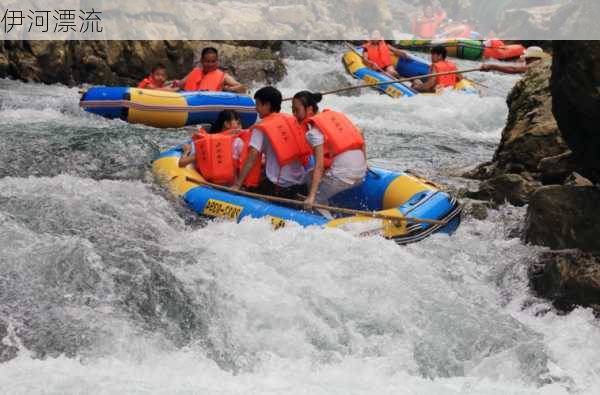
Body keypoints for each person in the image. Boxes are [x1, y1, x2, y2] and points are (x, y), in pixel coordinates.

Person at [292, 91, 367, 208]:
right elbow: (360, 133)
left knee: (311, 205)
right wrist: (365, 163)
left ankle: (320, 207)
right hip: (361, 172)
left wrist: (311, 197)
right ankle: (324, 202)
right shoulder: (333, 115)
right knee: (309, 176)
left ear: (310, 109)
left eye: (297, 110)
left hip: (343, 176)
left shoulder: (313, 133)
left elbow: (319, 167)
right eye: (293, 110)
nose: (294, 114)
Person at [232, 86, 310, 198]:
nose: (256, 108)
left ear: (267, 105)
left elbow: (252, 156)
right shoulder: (291, 119)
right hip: (300, 184)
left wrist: (237, 184)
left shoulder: (262, 127)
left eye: (258, 104)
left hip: (279, 186)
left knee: (248, 191)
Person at [179, 109, 243, 168]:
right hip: (232, 179)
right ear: (227, 124)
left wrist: (186, 151)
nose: (240, 127)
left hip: (207, 178)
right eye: (238, 123)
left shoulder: (208, 141)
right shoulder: (238, 142)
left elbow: (182, 163)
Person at [178, 47, 247, 93]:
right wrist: (173, 84)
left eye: (213, 61)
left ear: (217, 61)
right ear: (201, 61)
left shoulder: (224, 77)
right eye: (207, 61)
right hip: (189, 102)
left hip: (209, 104)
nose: (210, 64)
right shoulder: (195, 72)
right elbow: (180, 84)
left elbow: (242, 88)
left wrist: (228, 89)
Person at [480, 46, 546, 74]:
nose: (525, 59)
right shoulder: (540, 63)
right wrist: (492, 65)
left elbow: (513, 69)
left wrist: (492, 66)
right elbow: (516, 66)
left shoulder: (536, 65)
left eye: (528, 58)